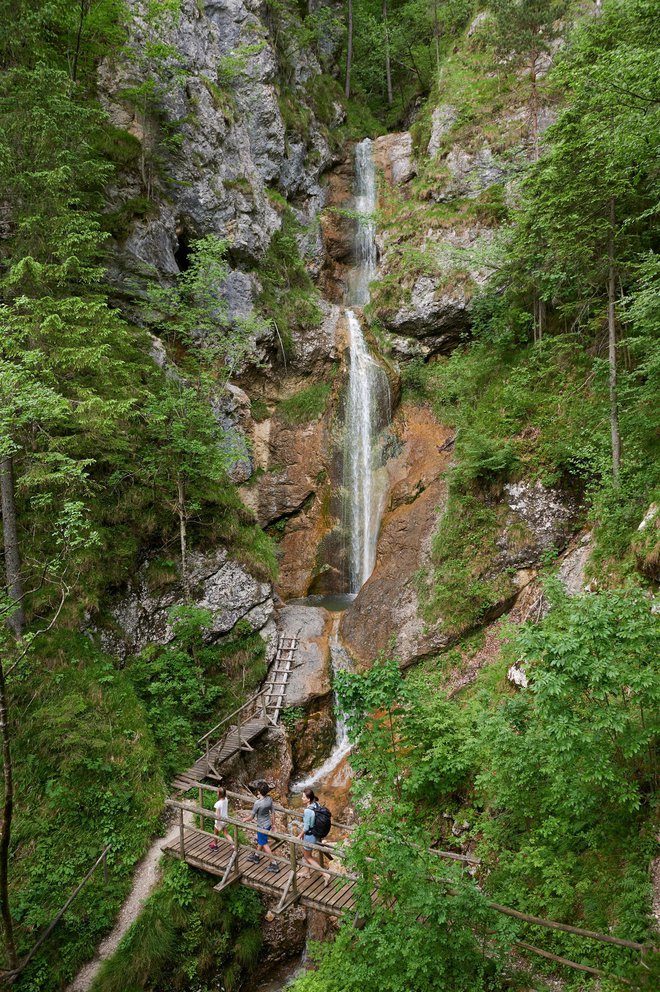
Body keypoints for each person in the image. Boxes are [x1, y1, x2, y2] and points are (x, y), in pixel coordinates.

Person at [244, 783, 279, 873]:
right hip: (268, 825)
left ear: (259, 791)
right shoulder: (269, 799)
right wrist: (274, 824)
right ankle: (256, 856)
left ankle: (274, 863)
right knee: (261, 840)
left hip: (261, 826)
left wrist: (244, 819)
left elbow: (251, 817)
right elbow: (273, 812)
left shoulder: (258, 803)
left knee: (264, 843)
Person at [298, 787, 321, 878]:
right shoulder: (316, 804)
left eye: (303, 797)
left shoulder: (307, 811)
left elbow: (306, 827)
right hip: (315, 834)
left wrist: (299, 836)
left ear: (308, 799)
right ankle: (307, 872)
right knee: (308, 854)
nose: (302, 798)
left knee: (307, 856)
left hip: (309, 836)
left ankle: (325, 874)